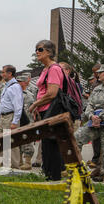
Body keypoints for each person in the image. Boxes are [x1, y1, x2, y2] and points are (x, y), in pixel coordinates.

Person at [74, 64, 104, 184]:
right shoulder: (97, 89)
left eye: (101, 72)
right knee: (76, 138)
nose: (98, 74)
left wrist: (100, 118)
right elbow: (89, 104)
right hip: (94, 123)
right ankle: (76, 170)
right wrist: (91, 116)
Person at [28, 40, 65, 180]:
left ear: (49, 52)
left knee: (52, 142)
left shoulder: (54, 68)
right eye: (36, 49)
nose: (37, 52)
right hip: (44, 109)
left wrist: (35, 104)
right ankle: (48, 172)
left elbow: (52, 93)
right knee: (46, 143)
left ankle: (54, 175)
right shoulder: (45, 69)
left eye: (40, 49)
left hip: (52, 109)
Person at [0, 65, 23, 170]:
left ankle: (14, 166)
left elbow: (18, 106)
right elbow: (2, 104)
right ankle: (3, 163)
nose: (2, 74)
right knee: (1, 141)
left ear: (10, 74)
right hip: (3, 116)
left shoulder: (15, 87)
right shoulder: (6, 86)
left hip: (10, 116)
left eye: (3, 72)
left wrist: (15, 121)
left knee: (12, 142)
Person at [17, 75, 37, 170]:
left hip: (27, 122)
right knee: (18, 142)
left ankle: (28, 162)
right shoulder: (16, 93)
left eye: (19, 81)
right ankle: (19, 161)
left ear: (24, 83)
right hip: (18, 122)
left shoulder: (28, 95)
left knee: (27, 142)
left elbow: (27, 110)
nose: (17, 83)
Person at [86, 64, 102, 170]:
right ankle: (95, 158)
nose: (94, 74)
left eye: (96, 72)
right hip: (94, 112)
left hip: (102, 114)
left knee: (102, 139)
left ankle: (100, 161)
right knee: (95, 138)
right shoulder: (95, 83)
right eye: (93, 72)